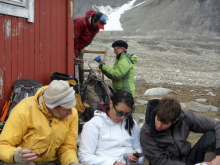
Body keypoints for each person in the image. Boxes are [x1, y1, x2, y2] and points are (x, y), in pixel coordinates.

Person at [0, 80, 85, 165]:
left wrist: (72, 163)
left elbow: (68, 147)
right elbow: (2, 145)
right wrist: (15, 155)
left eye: (72, 107)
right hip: (24, 162)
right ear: (52, 108)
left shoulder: (72, 114)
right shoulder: (24, 110)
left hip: (52, 162)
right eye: (66, 109)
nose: (71, 112)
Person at [140, 97, 220, 165]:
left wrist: (219, 156)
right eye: (158, 119)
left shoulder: (185, 117)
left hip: (187, 159)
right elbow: (160, 161)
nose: (158, 125)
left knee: (211, 136)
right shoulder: (146, 132)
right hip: (166, 163)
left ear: (175, 121)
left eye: (165, 123)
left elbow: (217, 125)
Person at [78, 89, 145, 165]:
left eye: (127, 114)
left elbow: (139, 149)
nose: (123, 117)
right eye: (120, 113)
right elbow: (84, 156)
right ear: (111, 104)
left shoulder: (131, 123)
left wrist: (137, 156)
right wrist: (112, 163)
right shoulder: (94, 124)